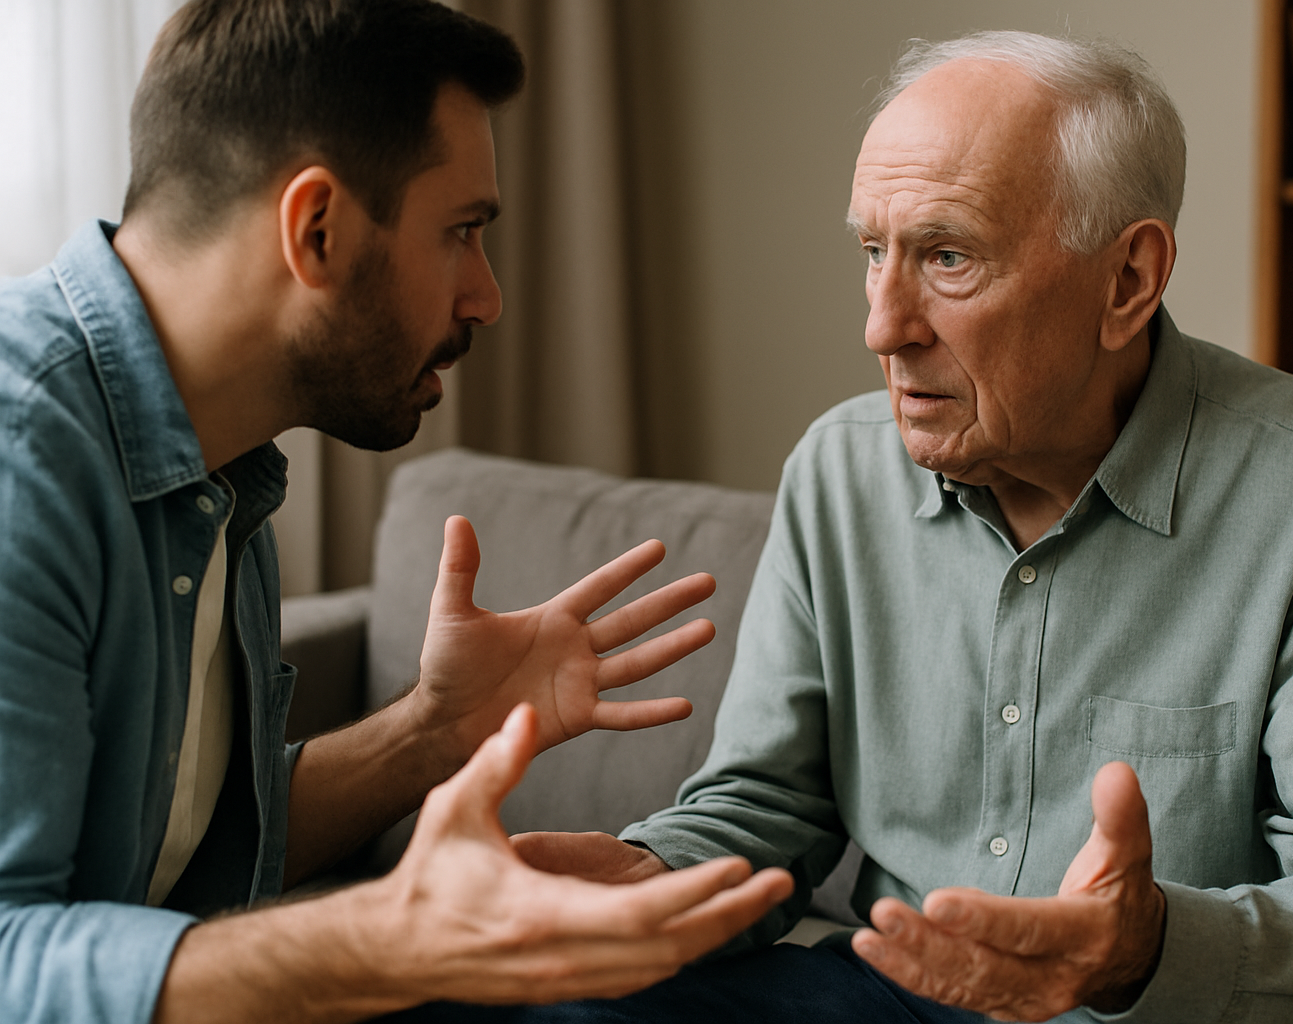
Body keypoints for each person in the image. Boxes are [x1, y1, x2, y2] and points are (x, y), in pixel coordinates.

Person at [502, 30, 1293, 1023]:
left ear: (1128, 280)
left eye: (947, 256)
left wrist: (1142, 950)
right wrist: (640, 873)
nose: (883, 325)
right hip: (889, 995)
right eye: (874, 252)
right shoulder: (840, 470)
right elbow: (770, 805)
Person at [0, 2, 793, 1022]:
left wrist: (432, 733)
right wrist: (386, 940)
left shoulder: (222, 462)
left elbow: (194, 842)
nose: (488, 297)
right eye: (462, 232)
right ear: (316, 228)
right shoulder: (25, 455)